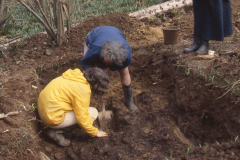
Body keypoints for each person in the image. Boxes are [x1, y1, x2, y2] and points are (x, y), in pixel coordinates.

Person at [38, 68, 109, 146]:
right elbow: (82, 118)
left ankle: (57, 128)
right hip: (51, 117)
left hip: (43, 108)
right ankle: (56, 131)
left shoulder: (76, 75)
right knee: (93, 113)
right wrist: (95, 132)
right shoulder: (83, 89)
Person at [80, 26, 138, 111]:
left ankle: (129, 102)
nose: (106, 64)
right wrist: (95, 74)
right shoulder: (95, 48)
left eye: (109, 64)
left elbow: (124, 70)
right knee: (88, 73)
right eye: (104, 61)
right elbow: (85, 63)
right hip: (94, 36)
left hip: (116, 35)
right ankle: (85, 101)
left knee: (124, 71)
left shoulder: (126, 54)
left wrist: (106, 69)